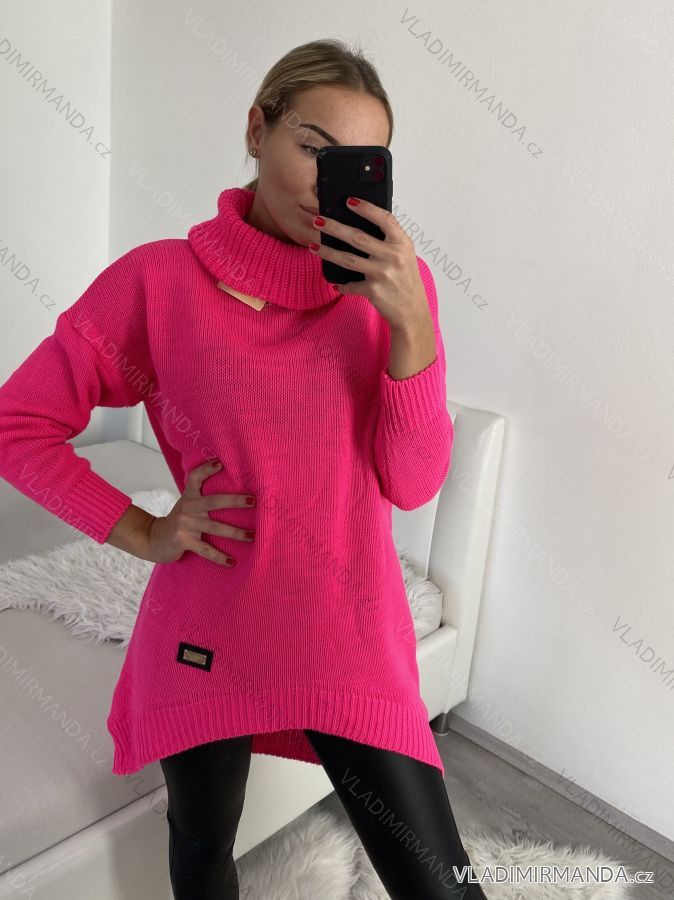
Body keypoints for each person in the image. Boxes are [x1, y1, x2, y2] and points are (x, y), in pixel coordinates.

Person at [0, 37, 487, 899]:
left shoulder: (395, 294)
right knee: (202, 857)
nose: (331, 185)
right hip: (206, 636)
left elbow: (413, 483)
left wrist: (413, 328)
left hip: (350, 637)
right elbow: (19, 424)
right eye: (312, 147)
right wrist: (144, 530)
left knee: (443, 885)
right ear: (257, 130)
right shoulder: (159, 281)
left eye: (361, 164)